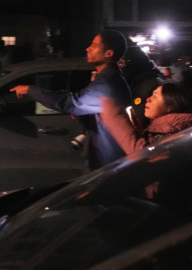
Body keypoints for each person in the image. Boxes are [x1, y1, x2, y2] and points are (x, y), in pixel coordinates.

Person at [11, 30, 131, 171]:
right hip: (106, 159)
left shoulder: (106, 83)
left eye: (94, 46)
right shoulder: (108, 78)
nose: (87, 49)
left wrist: (30, 90)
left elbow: (72, 103)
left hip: (109, 162)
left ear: (108, 53)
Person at [101, 82, 192, 155]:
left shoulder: (172, 132)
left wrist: (113, 114)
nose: (148, 99)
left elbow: (143, 153)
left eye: (155, 96)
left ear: (170, 106)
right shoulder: (173, 127)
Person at [120, 45, 164, 132]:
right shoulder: (131, 83)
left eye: (122, 64)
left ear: (134, 63)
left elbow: (163, 121)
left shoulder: (155, 85)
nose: (120, 68)